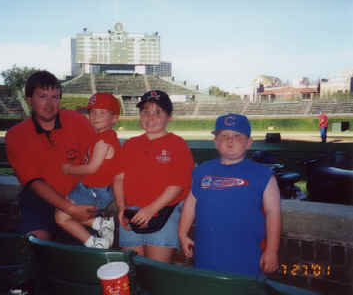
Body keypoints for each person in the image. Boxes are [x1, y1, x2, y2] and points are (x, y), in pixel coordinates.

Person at [179, 113, 281, 277]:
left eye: (237, 136)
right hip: (207, 253)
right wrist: (182, 233)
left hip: (246, 255)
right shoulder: (202, 171)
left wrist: (271, 250)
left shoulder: (263, 174)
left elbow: (273, 213)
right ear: (215, 142)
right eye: (224, 135)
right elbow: (190, 204)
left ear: (249, 143)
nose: (230, 140)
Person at [5, 70, 97, 240]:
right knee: (36, 245)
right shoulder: (16, 135)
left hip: (77, 195)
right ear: (29, 100)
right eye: (43, 96)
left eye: (54, 97)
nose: (49, 104)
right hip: (39, 200)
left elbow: (97, 156)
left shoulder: (77, 121)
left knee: (87, 251)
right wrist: (68, 209)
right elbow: (33, 181)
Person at [114, 90, 194, 263]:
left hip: (162, 214)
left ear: (169, 117)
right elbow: (119, 178)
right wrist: (121, 207)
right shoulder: (130, 144)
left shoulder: (178, 145)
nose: (150, 117)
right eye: (145, 112)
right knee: (131, 270)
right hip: (131, 213)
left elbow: (177, 185)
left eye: (158, 112)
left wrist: (151, 209)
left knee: (155, 272)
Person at [55, 92, 121, 249]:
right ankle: (100, 225)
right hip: (91, 188)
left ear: (114, 118)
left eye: (102, 112)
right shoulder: (101, 137)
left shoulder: (104, 140)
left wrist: (69, 169)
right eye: (92, 112)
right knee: (62, 214)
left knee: (60, 217)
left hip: (94, 191)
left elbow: (91, 168)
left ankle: (96, 242)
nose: (96, 116)